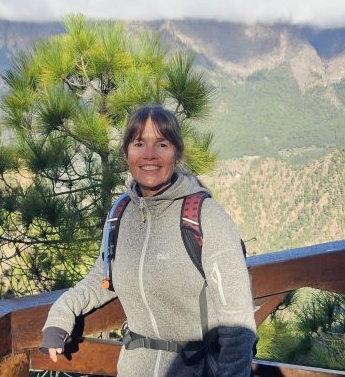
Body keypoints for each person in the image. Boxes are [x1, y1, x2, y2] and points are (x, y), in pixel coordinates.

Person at [39, 104, 257, 376]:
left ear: (177, 153)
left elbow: (237, 323)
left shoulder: (205, 217)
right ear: (126, 153)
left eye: (162, 144)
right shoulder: (121, 213)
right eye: (139, 143)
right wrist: (60, 316)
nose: (150, 154)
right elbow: (102, 279)